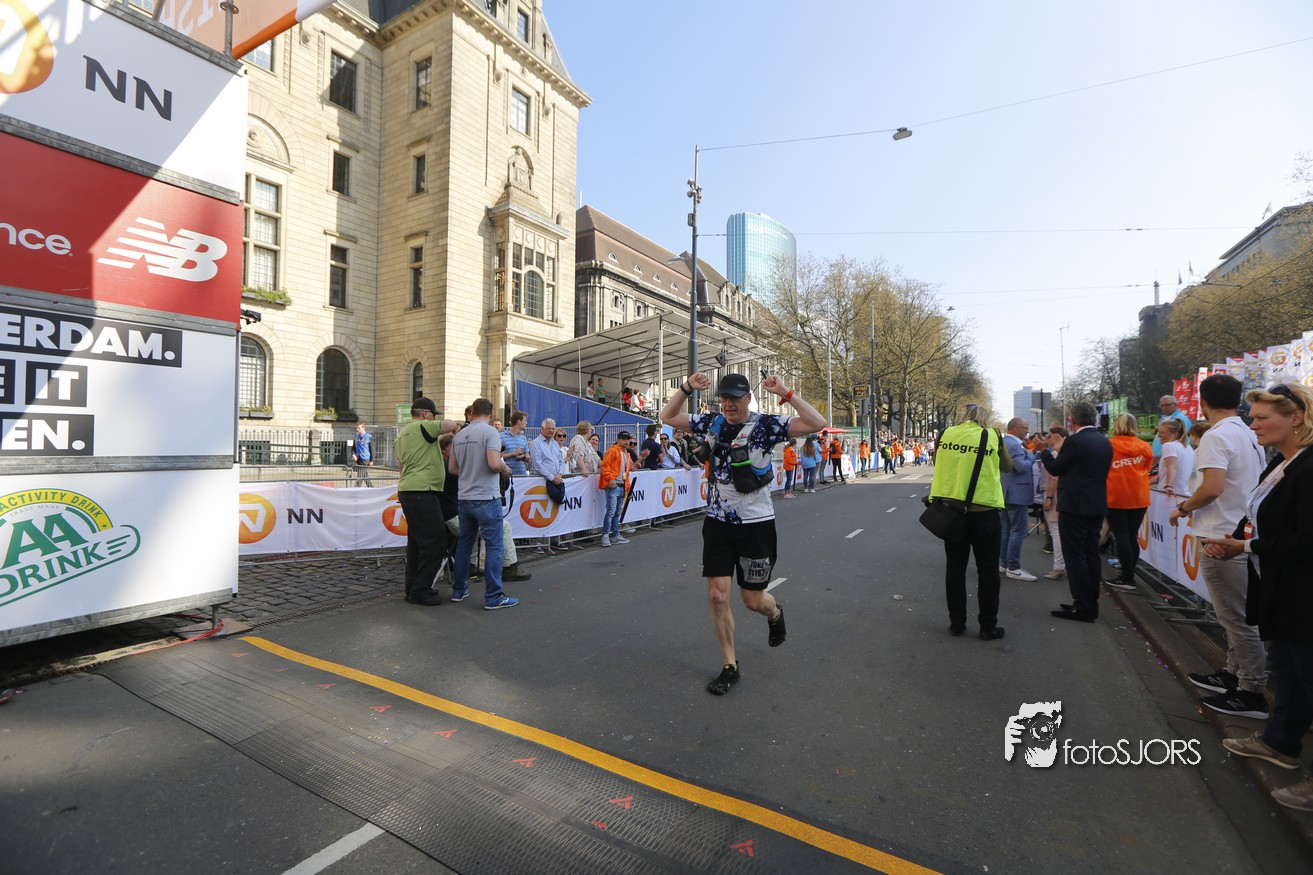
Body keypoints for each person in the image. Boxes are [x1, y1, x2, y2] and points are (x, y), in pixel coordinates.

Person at [661, 371, 826, 695]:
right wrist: (687, 388)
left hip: (757, 524)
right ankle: (729, 665)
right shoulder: (712, 423)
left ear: (748, 398)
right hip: (718, 523)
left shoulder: (766, 425)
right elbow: (667, 416)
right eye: (724, 398)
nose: (728, 404)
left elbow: (817, 423)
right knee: (717, 595)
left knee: (752, 600)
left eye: (734, 399)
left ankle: (774, 612)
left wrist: (786, 392)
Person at [1207, 383, 1313, 812]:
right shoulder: (1282, 462)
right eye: (1253, 418)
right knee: (1288, 671)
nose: (1253, 426)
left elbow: (1306, 541)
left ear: (1296, 418)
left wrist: (1246, 547)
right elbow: (1257, 514)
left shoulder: (1309, 467)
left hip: (1303, 593)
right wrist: (1235, 541)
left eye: (1261, 418)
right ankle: (1280, 743)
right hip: (1282, 589)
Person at [1170, 374, 1268, 719]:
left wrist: (1182, 508)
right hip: (1239, 532)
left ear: (1202, 402)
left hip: (1221, 536)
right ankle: (1233, 674)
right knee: (1236, 614)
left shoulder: (1217, 435)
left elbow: (1212, 487)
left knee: (1236, 618)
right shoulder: (1248, 433)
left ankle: (1251, 691)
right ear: (1238, 401)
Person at [927, 403, 1012, 640]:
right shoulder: (992, 435)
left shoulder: (945, 434)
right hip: (984, 512)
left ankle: (957, 623)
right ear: (984, 418)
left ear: (962, 416)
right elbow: (1007, 467)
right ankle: (988, 626)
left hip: (953, 513)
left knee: (955, 568)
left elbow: (938, 462)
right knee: (988, 571)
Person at [1040, 401, 1113, 622]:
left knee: (1075, 555)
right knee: (1090, 553)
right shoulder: (1104, 441)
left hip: (1074, 505)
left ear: (1072, 420)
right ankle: (1089, 602)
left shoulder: (1076, 441)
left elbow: (1056, 468)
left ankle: (1082, 605)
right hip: (1096, 503)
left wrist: (1044, 451)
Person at [447, 397, 519, 610]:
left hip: (465, 497)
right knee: (495, 545)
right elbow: (494, 464)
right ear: (490, 414)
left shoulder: (459, 435)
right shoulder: (490, 433)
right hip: (486, 496)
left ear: (472, 413)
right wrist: (505, 469)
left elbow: (452, 469)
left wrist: (470, 470)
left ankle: (459, 589)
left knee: (465, 544)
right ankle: (494, 595)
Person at [438, 433, 531, 583]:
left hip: (457, 514)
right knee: (503, 527)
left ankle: (471, 566)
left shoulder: (447, 466)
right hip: (454, 516)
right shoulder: (446, 467)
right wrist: (497, 463)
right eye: (452, 447)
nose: (457, 451)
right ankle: (509, 567)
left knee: (475, 528)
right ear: (443, 449)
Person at [395, 397, 460, 605]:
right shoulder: (422, 426)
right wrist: (456, 427)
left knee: (416, 543)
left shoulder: (403, 433)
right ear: (425, 414)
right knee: (435, 542)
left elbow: (401, 465)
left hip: (410, 489)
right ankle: (420, 590)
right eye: (433, 414)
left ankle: (413, 588)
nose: (434, 418)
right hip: (423, 491)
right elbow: (448, 425)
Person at [1103, 413, 1154, 591]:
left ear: (1116, 426)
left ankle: (1127, 577)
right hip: (1139, 496)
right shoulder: (1145, 446)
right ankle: (1129, 573)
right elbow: (1147, 468)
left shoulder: (1109, 445)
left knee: (1122, 536)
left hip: (1115, 496)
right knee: (1132, 536)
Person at [999, 417, 1038, 581]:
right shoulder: (1014, 445)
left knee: (1006, 530)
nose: (1027, 431)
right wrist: (1031, 455)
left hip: (1005, 491)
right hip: (1017, 493)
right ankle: (1013, 567)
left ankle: (1004, 563)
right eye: (1025, 428)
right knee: (1018, 531)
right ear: (1016, 428)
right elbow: (1021, 467)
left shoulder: (1005, 442)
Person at [529, 417, 572, 552]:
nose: (551, 431)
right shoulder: (536, 443)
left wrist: (559, 474)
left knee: (554, 511)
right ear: (542, 429)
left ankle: (554, 540)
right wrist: (552, 477)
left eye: (553, 428)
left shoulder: (554, 444)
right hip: (541, 482)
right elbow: (537, 464)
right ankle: (536, 542)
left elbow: (560, 461)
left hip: (555, 481)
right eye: (549, 428)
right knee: (539, 513)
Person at [1041, 426, 1069, 579]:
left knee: (1056, 532)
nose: (1047, 439)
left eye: (1049, 436)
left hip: (1054, 496)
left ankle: (1058, 567)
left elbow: (1054, 478)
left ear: (1057, 437)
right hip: (1058, 495)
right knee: (1058, 531)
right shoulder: (1061, 453)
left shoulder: (1055, 454)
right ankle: (1060, 565)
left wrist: (1049, 498)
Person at [598, 432, 633, 547]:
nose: (626, 441)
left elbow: (626, 473)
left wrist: (628, 488)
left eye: (627, 439)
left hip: (620, 486)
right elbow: (605, 466)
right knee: (612, 512)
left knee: (616, 512)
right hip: (614, 486)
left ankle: (614, 535)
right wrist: (610, 479)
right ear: (618, 439)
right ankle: (606, 535)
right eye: (624, 439)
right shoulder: (613, 451)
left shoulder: (625, 453)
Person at [1153, 416, 1195, 501]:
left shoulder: (1168, 445)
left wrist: (1169, 486)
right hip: (1182, 495)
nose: (1159, 435)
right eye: (1158, 432)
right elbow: (1164, 475)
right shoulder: (1187, 447)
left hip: (1168, 495)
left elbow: (1172, 467)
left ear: (1175, 433)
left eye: (1163, 432)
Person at [1152, 394, 1192, 460]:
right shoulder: (1164, 419)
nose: (1164, 408)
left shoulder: (1181, 420)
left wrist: (1159, 457)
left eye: (1167, 405)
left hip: (1168, 458)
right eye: (1162, 405)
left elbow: (1182, 441)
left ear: (1175, 405)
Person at [500, 411, 530, 475]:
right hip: (506, 476)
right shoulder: (501, 436)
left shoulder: (523, 438)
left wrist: (523, 457)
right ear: (519, 422)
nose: (526, 423)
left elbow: (528, 457)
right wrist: (513, 453)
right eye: (525, 421)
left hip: (522, 475)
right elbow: (497, 457)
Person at [352, 421, 375, 487]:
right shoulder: (356, 436)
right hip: (358, 458)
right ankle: (371, 487)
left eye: (359, 428)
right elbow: (353, 447)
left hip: (365, 458)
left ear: (363, 428)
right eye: (357, 428)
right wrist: (353, 454)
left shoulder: (369, 437)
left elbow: (372, 449)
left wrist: (371, 460)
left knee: (360, 474)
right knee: (364, 474)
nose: (357, 429)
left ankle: (356, 489)